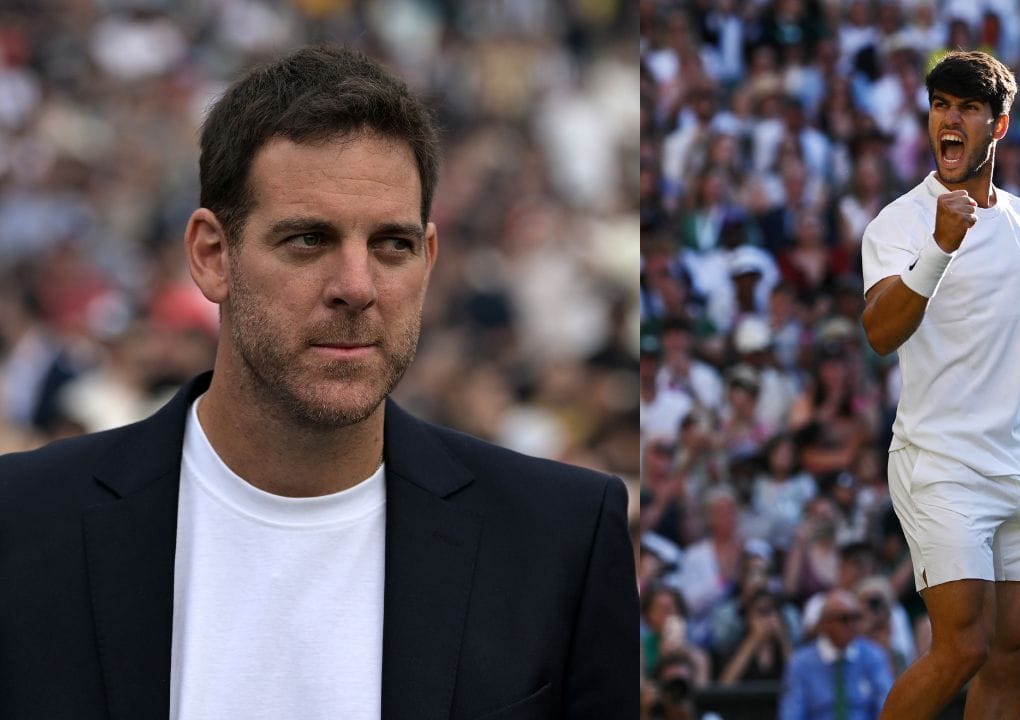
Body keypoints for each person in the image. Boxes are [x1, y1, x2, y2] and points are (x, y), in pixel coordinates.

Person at [0, 46, 637, 719]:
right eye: (308, 240)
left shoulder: (560, 538)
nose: (357, 288)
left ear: (427, 261)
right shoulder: (23, 527)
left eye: (391, 245)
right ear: (211, 256)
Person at [859, 51, 1020, 719]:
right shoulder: (897, 225)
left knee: (1013, 653)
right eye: (939, 106)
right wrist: (939, 247)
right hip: (940, 464)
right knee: (962, 647)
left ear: (999, 126)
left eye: (966, 108)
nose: (949, 120)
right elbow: (878, 333)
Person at [778, 589, 893, 720]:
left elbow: (886, 706)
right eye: (844, 619)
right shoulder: (800, 664)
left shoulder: (873, 656)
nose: (851, 625)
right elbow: (791, 714)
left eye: (855, 617)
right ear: (824, 624)